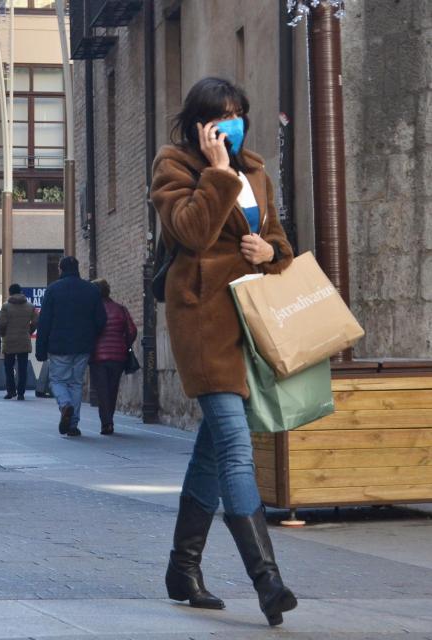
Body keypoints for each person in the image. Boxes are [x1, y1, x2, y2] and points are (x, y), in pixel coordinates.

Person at [151, 77, 296, 626]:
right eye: (220, 115)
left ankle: (182, 569)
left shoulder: (257, 169)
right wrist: (216, 172)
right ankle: (269, 581)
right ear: (198, 124)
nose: (231, 123)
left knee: (214, 451)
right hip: (204, 320)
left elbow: (282, 244)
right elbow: (190, 231)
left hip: (250, 321)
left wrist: (269, 250)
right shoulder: (175, 167)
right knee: (236, 448)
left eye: (238, 113)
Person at [35, 256, 106, 437]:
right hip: (83, 345)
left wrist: (41, 348)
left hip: (58, 345)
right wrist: (91, 336)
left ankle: (65, 405)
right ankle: (73, 425)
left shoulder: (53, 290)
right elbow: (101, 320)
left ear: (61, 269)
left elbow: (44, 322)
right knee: (76, 383)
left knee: (58, 380)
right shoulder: (91, 290)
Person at [89, 279, 136, 435]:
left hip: (98, 356)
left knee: (102, 390)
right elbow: (132, 330)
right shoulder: (120, 309)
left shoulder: (92, 310)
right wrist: (125, 344)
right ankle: (109, 419)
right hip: (118, 355)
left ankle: (106, 422)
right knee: (112, 388)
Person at [0, 283, 36, 400]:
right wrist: (28, 332)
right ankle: (21, 393)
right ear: (21, 291)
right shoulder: (30, 306)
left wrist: (3, 334)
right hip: (24, 339)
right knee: (22, 367)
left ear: (10, 292)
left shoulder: (6, 306)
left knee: (9, 367)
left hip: (9, 340)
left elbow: (1, 323)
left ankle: (10, 391)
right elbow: (36, 322)